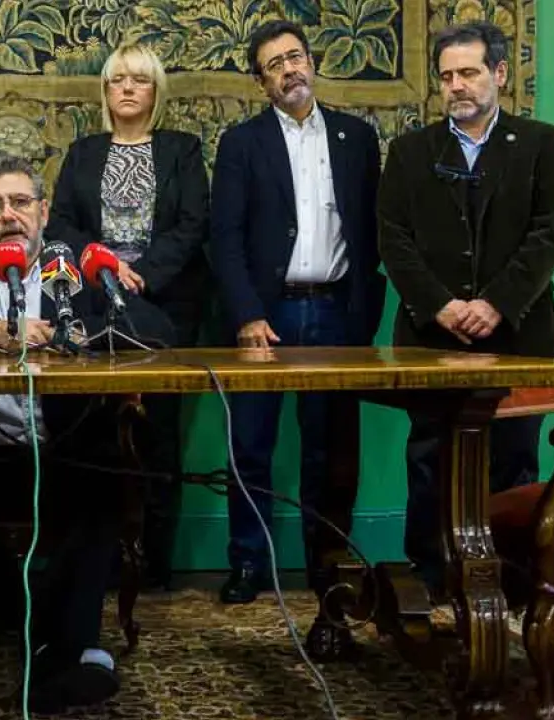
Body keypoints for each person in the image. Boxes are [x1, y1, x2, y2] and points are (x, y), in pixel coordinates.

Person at [0, 154, 176, 714]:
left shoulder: (75, 273)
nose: (9, 215)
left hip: (64, 451)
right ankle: (54, 639)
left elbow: (158, 330)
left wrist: (75, 332)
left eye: (21, 202)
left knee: (107, 482)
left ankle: (46, 650)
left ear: (43, 212)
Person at [377, 22, 554, 590]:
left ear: (500, 74)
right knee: (429, 458)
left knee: (513, 460)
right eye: (446, 76)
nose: (456, 86)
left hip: (519, 335)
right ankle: (431, 577)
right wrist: (440, 305)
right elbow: (393, 238)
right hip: (432, 338)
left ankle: (512, 583)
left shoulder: (544, 144)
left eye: (468, 72)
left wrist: (495, 304)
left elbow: (548, 235)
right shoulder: (410, 152)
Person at [209, 20, 384, 608]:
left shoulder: (357, 138)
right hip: (267, 316)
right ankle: (248, 563)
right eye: (274, 65)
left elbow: (373, 232)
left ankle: (328, 565)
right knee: (250, 446)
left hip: (336, 313)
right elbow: (225, 239)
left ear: (312, 61)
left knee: (330, 450)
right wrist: (246, 314)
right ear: (261, 83)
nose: (289, 70)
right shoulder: (242, 143)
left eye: (295, 57)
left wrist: (361, 317)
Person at [44, 41, 209, 588]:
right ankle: (96, 561)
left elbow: (192, 224)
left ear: (156, 91)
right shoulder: (83, 152)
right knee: (92, 431)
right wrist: (109, 265)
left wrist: (143, 276)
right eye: (118, 80)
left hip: (166, 303)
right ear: (106, 92)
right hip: (95, 304)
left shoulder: (182, 149)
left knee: (158, 435)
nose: (128, 88)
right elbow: (61, 225)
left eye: (139, 79)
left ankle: (154, 565)